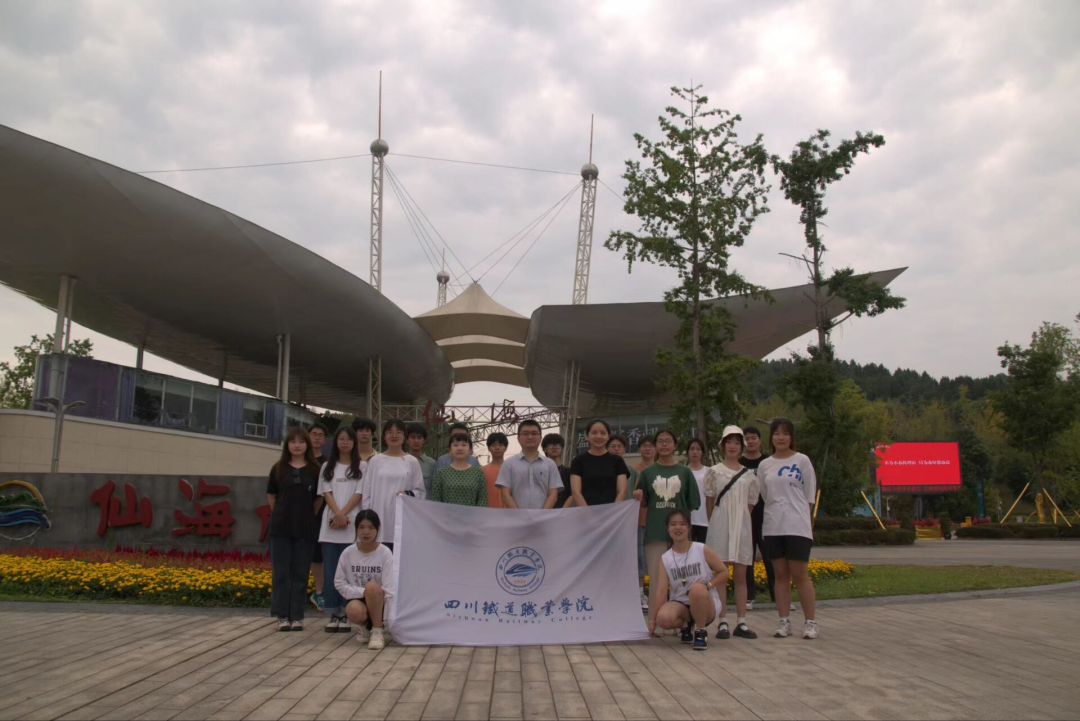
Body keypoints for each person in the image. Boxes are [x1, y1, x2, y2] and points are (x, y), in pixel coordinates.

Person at [758, 418, 818, 639]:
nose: (780, 437)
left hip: (797, 525)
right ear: (771, 437)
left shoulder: (802, 461)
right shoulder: (765, 465)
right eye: (776, 433)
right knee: (780, 575)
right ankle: (784, 621)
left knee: (800, 574)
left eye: (785, 433)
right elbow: (765, 495)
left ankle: (810, 622)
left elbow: (809, 495)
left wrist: (805, 520)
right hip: (774, 525)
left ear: (792, 437)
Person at [633, 429, 701, 616]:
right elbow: (644, 501)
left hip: (680, 536)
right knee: (656, 579)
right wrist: (638, 494)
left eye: (668, 441)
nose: (664, 444)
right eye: (660, 441)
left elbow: (693, 503)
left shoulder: (685, 472)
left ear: (675, 445)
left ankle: (684, 619)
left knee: (683, 579)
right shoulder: (647, 473)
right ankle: (656, 620)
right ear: (655, 446)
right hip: (655, 532)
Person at [704, 426, 759, 640]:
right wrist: (718, 521)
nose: (733, 446)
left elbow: (750, 504)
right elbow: (710, 502)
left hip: (742, 527)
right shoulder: (714, 471)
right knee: (721, 573)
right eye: (729, 442)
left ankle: (742, 622)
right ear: (722, 445)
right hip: (719, 525)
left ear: (742, 446)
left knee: (740, 576)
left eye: (737, 442)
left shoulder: (750, 475)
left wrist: (740, 520)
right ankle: (723, 621)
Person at [266, 427, 323, 631]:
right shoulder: (279, 468)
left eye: (301, 441)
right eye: (293, 441)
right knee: (281, 574)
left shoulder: (315, 470)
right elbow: (272, 495)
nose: (297, 445)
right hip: (280, 528)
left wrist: (306, 515)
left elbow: (319, 499)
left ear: (307, 445)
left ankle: (297, 616)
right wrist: (281, 514)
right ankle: (282, 616)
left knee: (300, 574)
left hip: (305, 529)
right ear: (287, 445)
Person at [648, 509, 728, 651]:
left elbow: (724, 572)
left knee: (696, 588)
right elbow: (661, 591)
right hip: (681, 603)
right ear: (667, 529)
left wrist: (708, 585)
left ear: (689, 527)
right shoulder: (665, 558)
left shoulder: (701, 549)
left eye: (682, 524)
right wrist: (653, 621)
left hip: (706, 602)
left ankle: (701, 632)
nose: (677, 528)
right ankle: (686, 625)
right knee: (663, 618)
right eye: (673, 524)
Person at [317, 427, 364, 633]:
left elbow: (359, 493)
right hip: (331, 526)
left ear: (354, 443)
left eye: (348, 439)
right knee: (330, 571)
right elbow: (326, 492)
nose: (345, 442)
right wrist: (337, 514)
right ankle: (333, 613)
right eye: (341, 439)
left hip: (350, 526)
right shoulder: (327, 466)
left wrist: (344, 514)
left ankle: (347, 612)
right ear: (335, 442)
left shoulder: (362, 466)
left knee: (349, 572)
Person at [359, 419, 424, 551]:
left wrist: (408, 494)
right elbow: (367, 491)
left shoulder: (411, 461)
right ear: (384, 436)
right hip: (378, 518)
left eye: (398, 432)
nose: (394, 436)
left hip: (401, 520)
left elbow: (420, 492)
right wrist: (367, 518)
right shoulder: (376, 460)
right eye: (390, 432)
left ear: (405, 437)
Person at [336, 509, 394, 650]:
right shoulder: (348, 553)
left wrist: (389, 619)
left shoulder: (385, 552)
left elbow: (390, 589)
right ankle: (364, 628)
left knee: (373, 587)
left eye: (370, 527)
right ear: (356, 529)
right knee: (353, 609)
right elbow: (339, 583)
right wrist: (363, 592)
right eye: (361, 527)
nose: (366, 532)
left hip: (380, 601)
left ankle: (377, 630)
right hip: (359, 598)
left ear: (377, 529)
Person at [608, 433, 646, 610]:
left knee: (637, 558)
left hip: (631, 523)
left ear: (625, 450)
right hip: (607, 524)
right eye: (613, 446)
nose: (616, 449)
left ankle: (639, 594)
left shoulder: (633, 472)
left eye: (619, 446)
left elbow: (641, 494)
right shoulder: (603, 469)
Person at [740, 425, 773, 608]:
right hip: (745, 514)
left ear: (760, 441)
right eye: (747, 438)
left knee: (770, 556)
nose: (750, 441)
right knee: (746, 557)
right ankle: (749, 597)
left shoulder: (768, 462)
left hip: (766, 514)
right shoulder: (739, 463)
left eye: (753, 438)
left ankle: (777, 595)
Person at [496, 420, 563, 510]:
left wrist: (541, 515)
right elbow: (505, 493)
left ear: (540, 438)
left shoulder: (550, 464)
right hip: (517, 519)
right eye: (525, 433)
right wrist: (519, 516)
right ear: (518, 438)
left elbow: (553, 494)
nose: (530, 437)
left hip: (543, 519)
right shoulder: (509, 463)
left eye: (534, 433)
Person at [570, 419, 629, 507]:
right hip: (586, 514)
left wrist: (614, 513)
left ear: (608, 436)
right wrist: (589, 515)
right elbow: (576, 492)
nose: (598, 436)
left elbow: (622, 492)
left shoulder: (617, 461)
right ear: (587, 436)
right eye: (594, 432)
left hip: (613, 515)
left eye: (603, 433)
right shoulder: (578, 461)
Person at [431, 432, 489, 507]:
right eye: (455, 445)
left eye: (464, 445)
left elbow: (482, 501)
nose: (460, 448)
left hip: (471, 517)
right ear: (450, 451)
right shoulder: (441, 473)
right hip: (446, 517)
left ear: (470, 450)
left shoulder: (478, 473)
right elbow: (435, 501)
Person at [307, 422, 330, 611]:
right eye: (313, 434)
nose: (316, 437)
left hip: (322, 513)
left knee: (319, 556)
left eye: (320, 435)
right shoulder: (298, 459)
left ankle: (320, 592)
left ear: (325, 440)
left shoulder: (328, 463)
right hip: (301, 513)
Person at [633, 434, 656, 609]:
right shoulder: (634, 470)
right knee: (640, 561)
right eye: (644, 445)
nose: (647, 448)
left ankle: (659, 594)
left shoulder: (661, 469)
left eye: (650, 445)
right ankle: (640, 595)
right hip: (639, 520)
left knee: (660, 561)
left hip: (659, 521)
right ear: (639, 449)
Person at [685, 438, 709, 543]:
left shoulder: (709, 472)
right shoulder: (682, 472)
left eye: (698, 449)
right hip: (687, 520)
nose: (695, 452)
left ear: (702, 452)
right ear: (687, 452)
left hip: (705, 519)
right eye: (692, 449)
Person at [406, 422, 438, 496]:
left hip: (425, 506)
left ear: (424, 441)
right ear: (407, 440)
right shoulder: (400, 461)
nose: (416, 441)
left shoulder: (432, 464)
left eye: (419, 437)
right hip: (404, 505)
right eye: (413, 437)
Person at [543, 433, 574, 508]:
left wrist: (562, 511)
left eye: (558, 445)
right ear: (545, 449)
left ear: (562, 449)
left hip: (563, 512)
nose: (554, 448)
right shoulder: (540, 470)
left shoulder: (569, 471)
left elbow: (572, 494)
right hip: (542, 511)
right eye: (550, 445)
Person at [482, 432, 508, 508]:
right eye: (493, 445)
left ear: (505, 448)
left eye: (500, 445)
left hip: (508, 513)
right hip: (488, 513)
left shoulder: (511, 469)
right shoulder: (482, 471)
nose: (497, 448)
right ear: (489, 448)